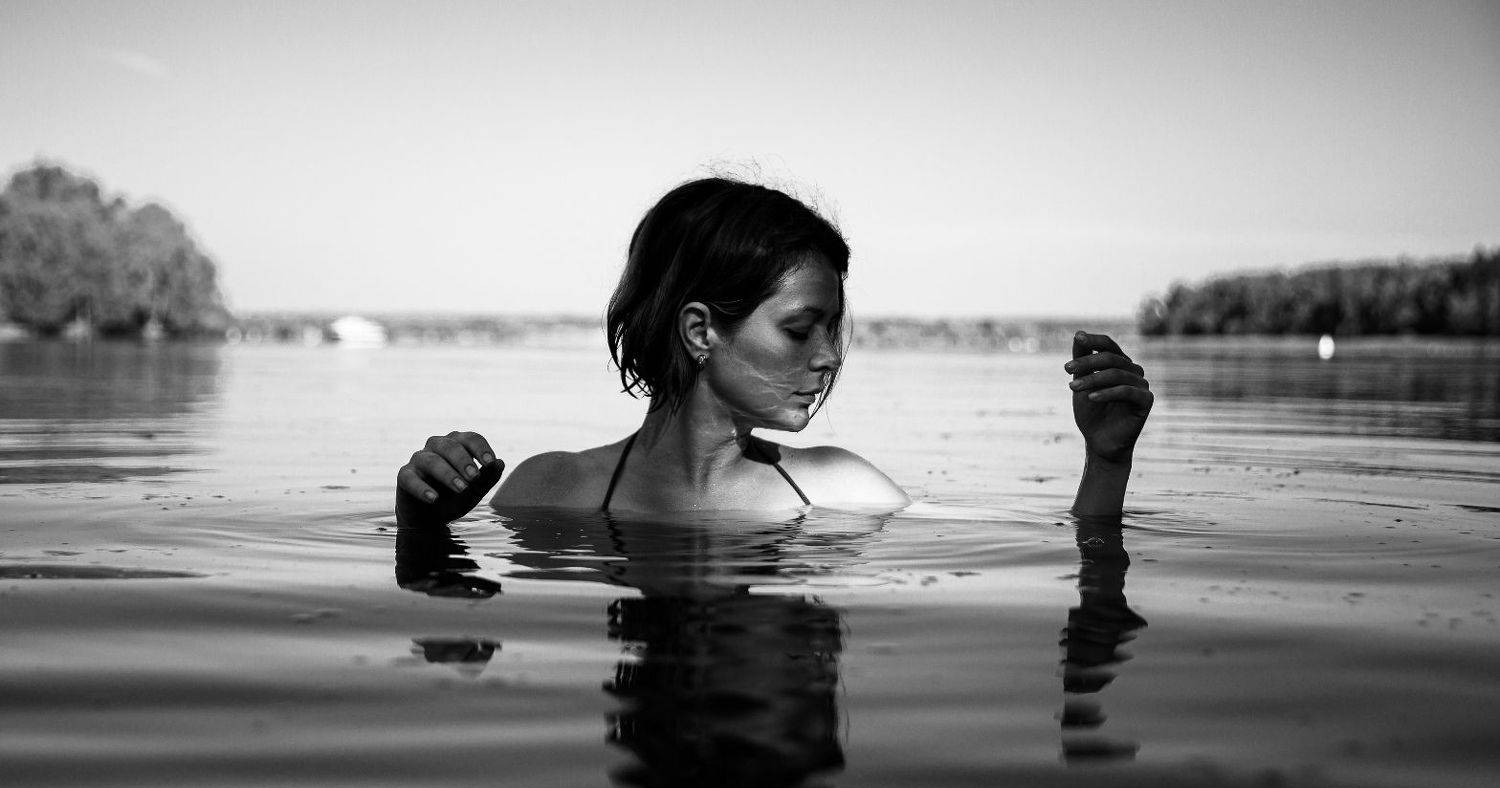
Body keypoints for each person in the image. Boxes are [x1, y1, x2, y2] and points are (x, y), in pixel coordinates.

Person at [395, 177, 1152, 524]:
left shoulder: (838, 487)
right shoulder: (545, 488)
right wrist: (421, 520)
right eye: (799, 329)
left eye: (833, 329)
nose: (830, 358)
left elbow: (1072, 542)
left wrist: (1107, 459)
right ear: (701, 331)